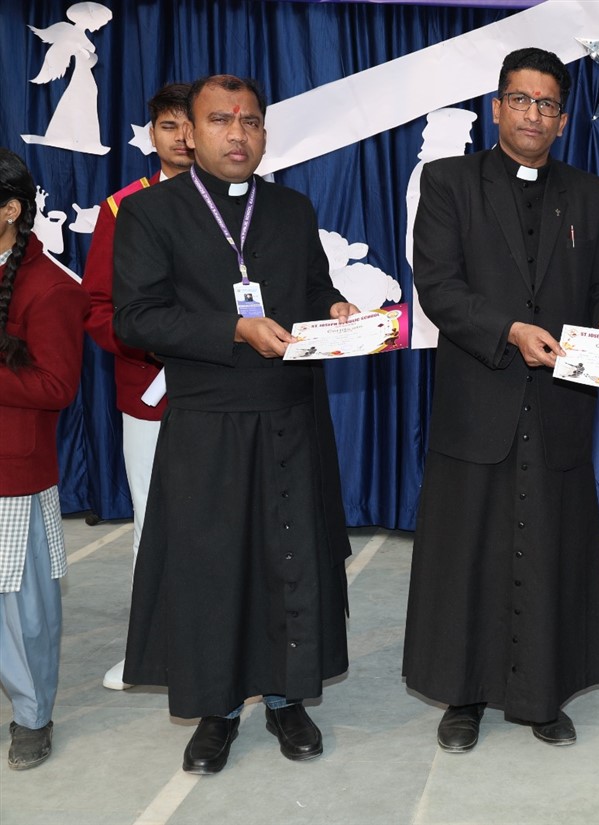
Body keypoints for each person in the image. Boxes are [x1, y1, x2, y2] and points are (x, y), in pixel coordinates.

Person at [112, 75, 359, 775]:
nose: (237, 133)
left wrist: (335, 308)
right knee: (212, 570)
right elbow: (136, 318)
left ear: (264, 132)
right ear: (190, 133)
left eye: (250, 120)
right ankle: (216, 710)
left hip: (288, 414)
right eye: (220, 120)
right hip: (208, 420)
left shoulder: (290, 208)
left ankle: (285, 697)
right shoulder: (149, 213)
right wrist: (234, 328)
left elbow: (313, 287)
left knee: (289, 561)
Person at [402, 47, 599, 754]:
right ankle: (464, 695)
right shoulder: (448, 182)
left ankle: (543, 695)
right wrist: (507, 330)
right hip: (479, 398)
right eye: (520, 99)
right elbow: (437, 287)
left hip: (560, 403)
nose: (532, 114)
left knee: (550, 551)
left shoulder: (592, 195)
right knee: (467, 552)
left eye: (547, 104)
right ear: (496, 107)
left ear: (562, 120)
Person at [82, 82, 193, 692]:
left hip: (227, 389)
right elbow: (99, 307)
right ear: (152, 136)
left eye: (189, 125)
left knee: (232, 521)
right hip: (150, 393)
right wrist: (156, 346)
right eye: (168, 126)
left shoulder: (240, 202)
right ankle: (149, 652)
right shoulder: (122, 207)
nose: (181, 138)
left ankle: (231, 652)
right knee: (153, 520)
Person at [0, 148, 89, 770]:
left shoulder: (51, 286)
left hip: (13, 473)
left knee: (22, 611)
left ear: (9, 210)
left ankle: (32, 717)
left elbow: (57, 387)